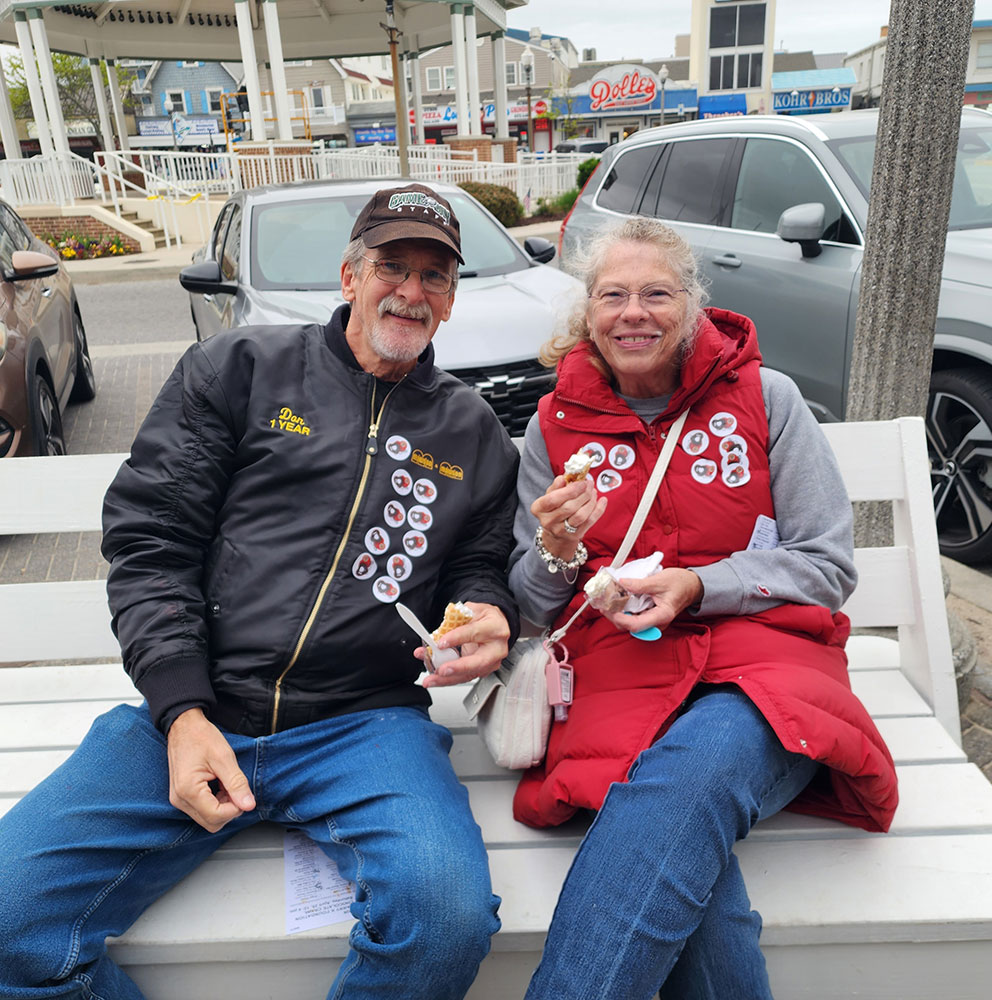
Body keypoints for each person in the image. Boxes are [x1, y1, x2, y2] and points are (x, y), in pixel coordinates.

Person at [0, 183, 519, 999]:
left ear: (452, 300)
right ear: (350, 274)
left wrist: (491, 610)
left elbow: (479, 566)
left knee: (448, 914)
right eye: (393, 265)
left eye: (435, 276)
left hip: (365, 722)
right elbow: (151, 542)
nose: (411, 292)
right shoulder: (240, 367)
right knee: (7, 920)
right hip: (199, 705)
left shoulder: (473, 430)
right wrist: (182, 711)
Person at [507, 217, 899, 1000]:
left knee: (684, 782)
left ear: (693, 306)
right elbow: (532, 605)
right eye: (612, 295)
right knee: (691, 867)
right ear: (586, 313)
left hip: (765, 669)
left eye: (657, 293)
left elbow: (828, 566)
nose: (633, 312)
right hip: (621, 677)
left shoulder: (765, 398)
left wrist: (700, 585)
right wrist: (557, 548)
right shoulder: (553, 428)